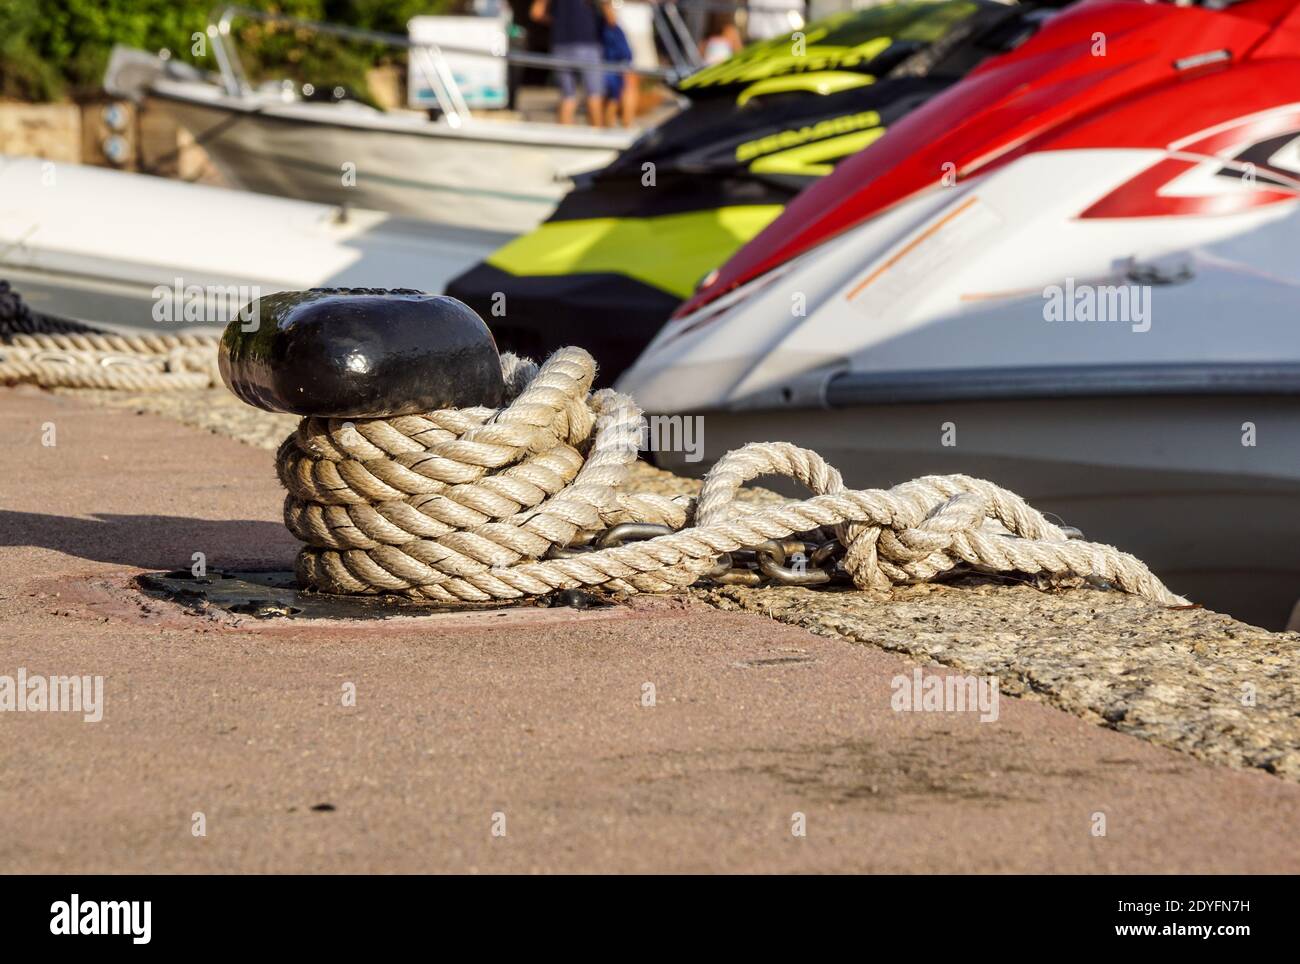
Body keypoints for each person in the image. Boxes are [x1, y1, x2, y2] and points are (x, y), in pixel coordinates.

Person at [531, 0, 612, 126]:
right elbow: (611, 19)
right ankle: (597, 142)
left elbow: (536, 13)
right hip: (588, 43)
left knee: (568, 97)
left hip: (560, 44)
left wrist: (558, 23)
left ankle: (562, 141)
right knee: (594, 96)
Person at [600, 10, 637, 127]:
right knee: (619, 94)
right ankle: (624, 123)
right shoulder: (608, 29)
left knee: (616, 96)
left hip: (619, 64)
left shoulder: (614, 28)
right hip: (615, 65)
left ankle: (623, 123)